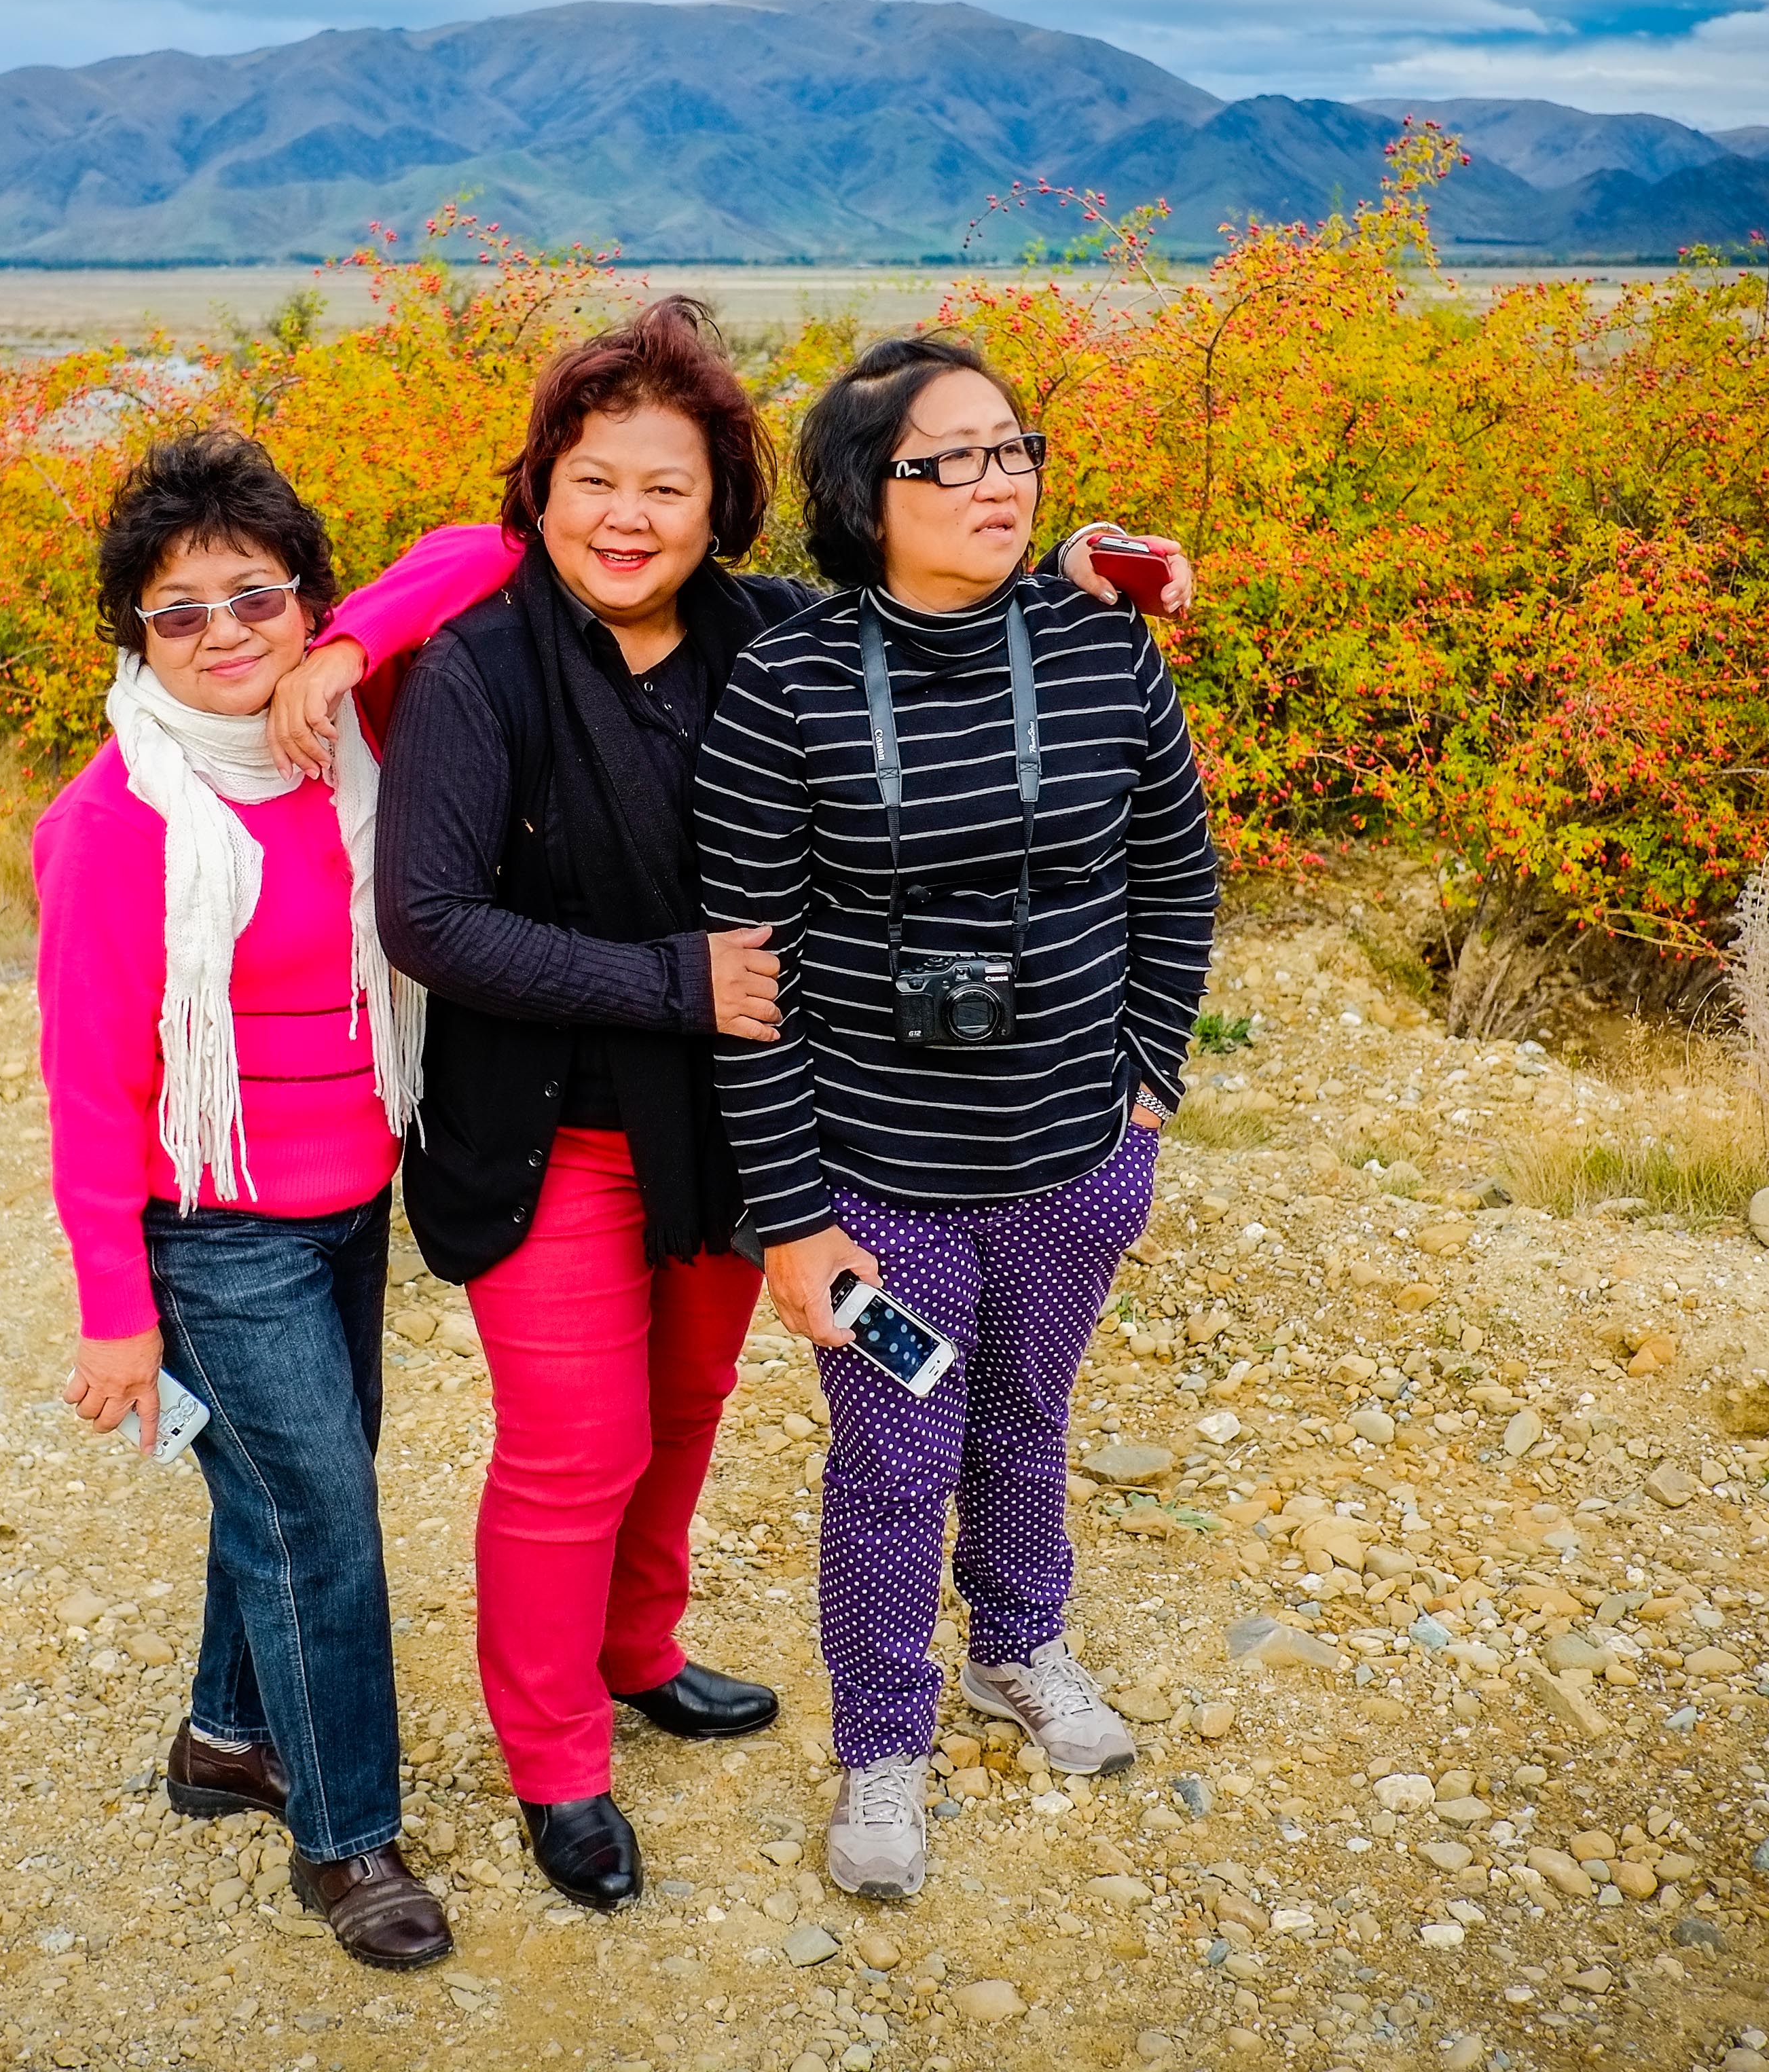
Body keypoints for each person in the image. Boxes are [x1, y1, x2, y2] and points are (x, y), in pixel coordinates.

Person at [268, 299, 1189, 1912]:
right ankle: (557, 1760)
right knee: (576, 1448)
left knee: (686, 1411)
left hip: (726, 1125)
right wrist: (673, 980)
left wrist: (1070, 566)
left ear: (725, 509)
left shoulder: (760, 636)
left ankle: (638, 1652)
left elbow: (927, 609)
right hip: (553, 1126)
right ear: (542, 491)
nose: (627, 519)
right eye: (593, 481)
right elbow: (429, 919)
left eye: (667, 488)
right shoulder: (486, 663)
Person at [691, 333, 1220, 1901]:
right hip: (876, 1180)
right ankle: (882, 1745)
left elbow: (1177, 874)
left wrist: (1145, 1090)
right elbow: (748, 974)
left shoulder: (1102, 646)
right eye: (953, 460)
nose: (999, 484)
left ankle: (1018, 1645)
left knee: (1026, 1420)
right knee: (891, 1463)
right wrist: (795, 1219)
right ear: (869, 494)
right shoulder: (786, 685)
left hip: (1074, 1158)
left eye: (1013, 450)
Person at [33, 430, 450, 1970]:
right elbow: (91, 1089)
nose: (223, 633)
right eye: (179, 610)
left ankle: (225, 1736)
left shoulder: (345, 741)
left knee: (285, 1494)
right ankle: (348, 1836)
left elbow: (480, 548)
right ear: (135, 635)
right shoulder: (114, 823)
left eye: (257, 596)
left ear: (307, 601)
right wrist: (117, 1317)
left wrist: (344, 657)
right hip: (216, 1233)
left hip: (352, 1204)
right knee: (323, 1522)